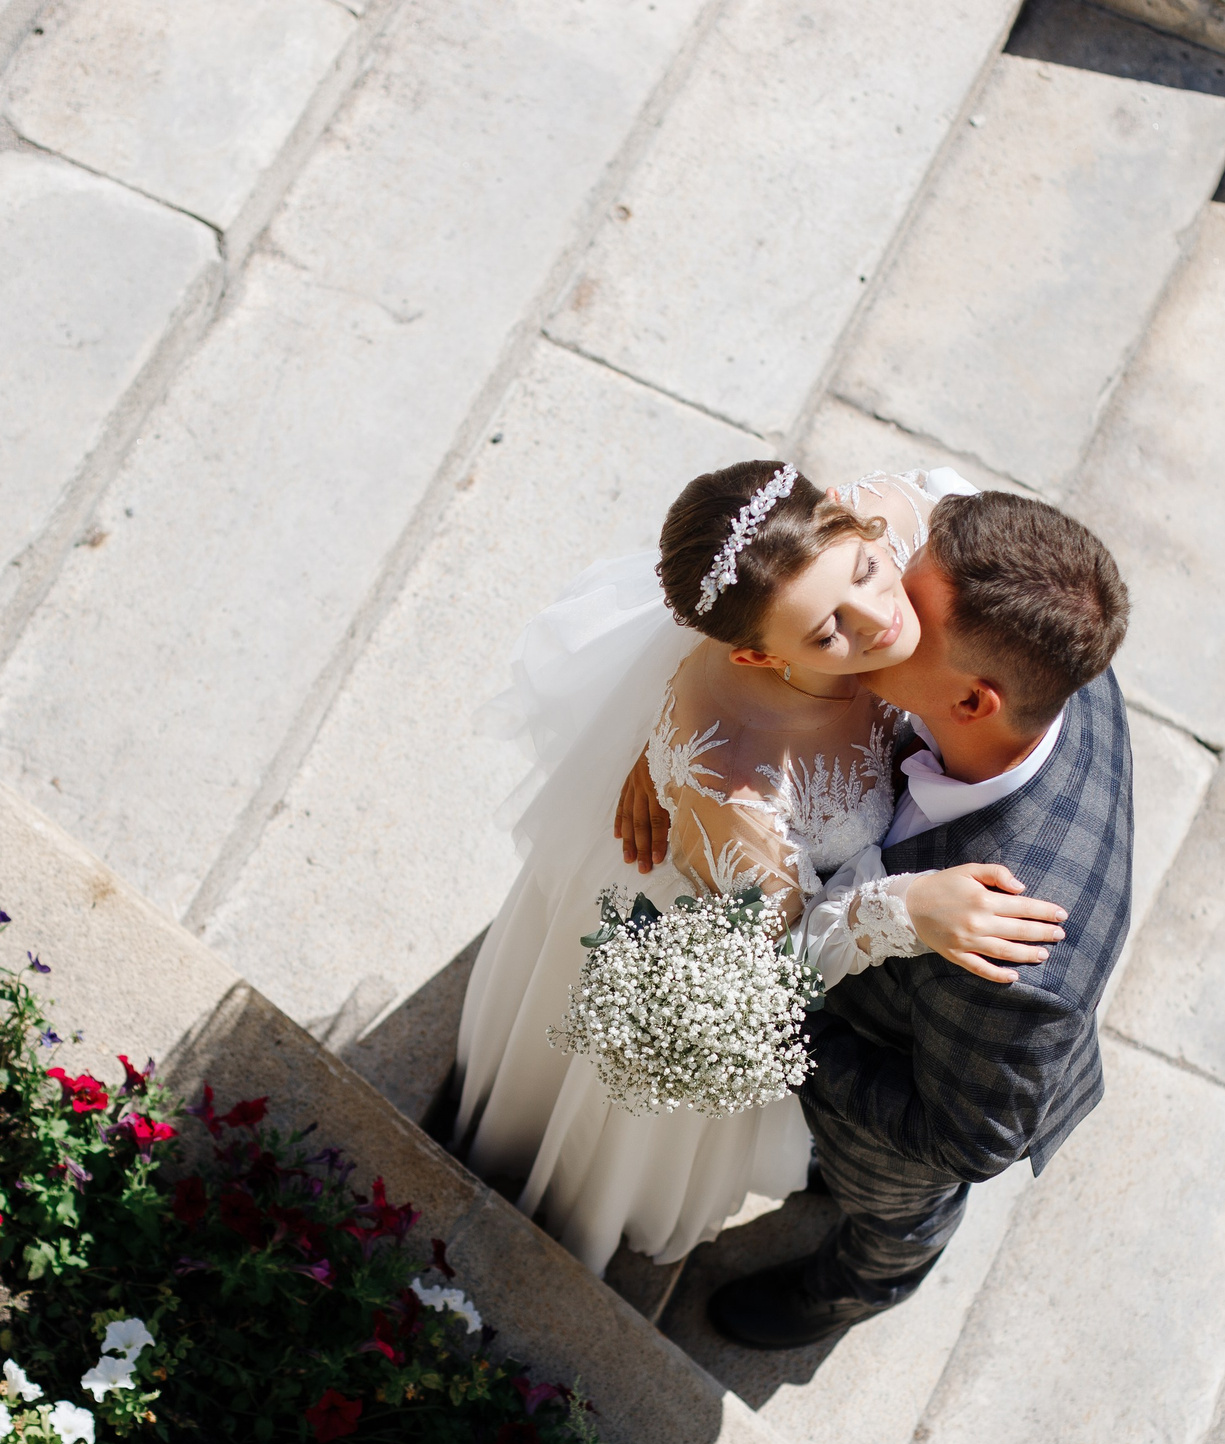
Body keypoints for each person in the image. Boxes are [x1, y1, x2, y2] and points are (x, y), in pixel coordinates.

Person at [452, 462, 1068, 1278]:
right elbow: (774, 962)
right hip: (715, 904)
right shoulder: (736, 785)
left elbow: (959, 513)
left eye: (867, 570)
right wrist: (906, 909)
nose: (881, 620)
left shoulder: (873, 521)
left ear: (850, 521)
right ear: (751, 655)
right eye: (827, 634)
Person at [615, 485, 1135, 1348]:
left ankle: (855, 1291)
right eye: (889, 563)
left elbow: (965, 1143)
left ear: (972, 702)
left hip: (899, 1116)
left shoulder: (1025, 982)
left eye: (909, 614)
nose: (889, 611)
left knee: (894, 1216)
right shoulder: (1050, 638)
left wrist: (787, 1035)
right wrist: (686, 744)